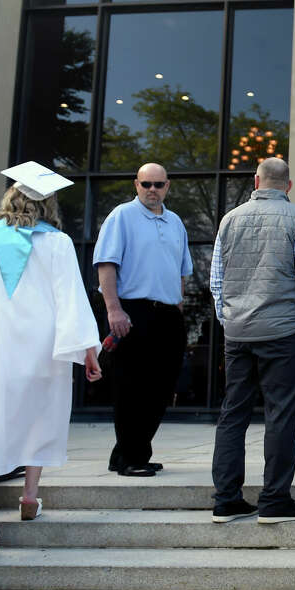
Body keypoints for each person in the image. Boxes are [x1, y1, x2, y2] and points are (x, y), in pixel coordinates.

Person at [0, 162, 101, 553]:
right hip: (41, 344)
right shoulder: (57, 243)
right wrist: (87, 346)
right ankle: (29, 497)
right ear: (48, 204)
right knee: (40, 412)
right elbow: (70, 298)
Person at [209, 158, 295, 524]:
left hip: (238, 331)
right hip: (285, 332)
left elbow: (216, 280)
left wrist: (229, 319)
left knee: (232, 414)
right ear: (288, 186)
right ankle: (274, 500)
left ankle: (226, 500)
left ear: (256, 181)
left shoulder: (229, 219)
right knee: (281, 415)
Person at [93, 162, 192, 477]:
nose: (152, 190)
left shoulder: (176, 221)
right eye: (146, 184)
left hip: (166, 313)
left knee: (161, 387)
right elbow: (106, 264)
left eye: (158, 185)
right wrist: (113, 309)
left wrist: (178, 309)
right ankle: (131, 458)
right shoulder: (122, 216)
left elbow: (181, 271)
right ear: (136, 185)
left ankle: (126, 452)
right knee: (131, 387)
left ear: (168, 186)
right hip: (131, 310)